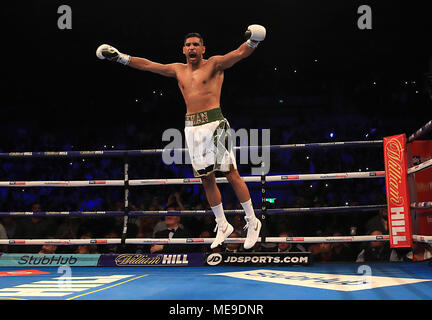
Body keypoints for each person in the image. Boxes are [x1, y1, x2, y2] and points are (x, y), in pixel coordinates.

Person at [96, 24, 267, 250]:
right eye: (188, 45)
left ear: (203, 48)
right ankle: (222, 223)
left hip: (215, 122)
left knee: (230, 172)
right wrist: (120, 57)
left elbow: (238, 54)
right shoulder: (178, 69)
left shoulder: (215, 64)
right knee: (206, 178)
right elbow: (148, 65)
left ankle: (252, 220)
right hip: (191, 127)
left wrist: (253, 41)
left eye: (196, 44)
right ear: (183, 50)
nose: (192, 47)